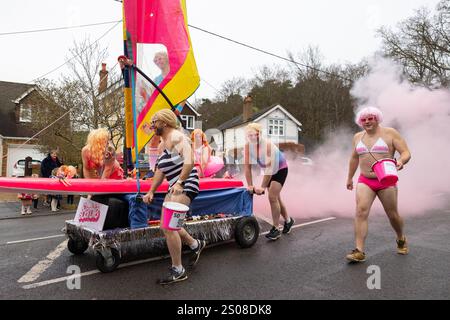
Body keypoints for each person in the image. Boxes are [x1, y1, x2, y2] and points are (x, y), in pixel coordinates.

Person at [142, 109, 206, 285]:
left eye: (154, 121)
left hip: (186, 184)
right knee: (166, 226)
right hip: (174, 186)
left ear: (164, 122)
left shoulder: (177, 137)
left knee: (170, 227)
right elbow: (160, 172)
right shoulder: (163, 144)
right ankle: (195, 244)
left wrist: (180, 182)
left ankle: (178, 270)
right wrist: (151, 191)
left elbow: (190, 159)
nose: (152, 125)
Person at [346, 106, 411, 262]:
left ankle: (400, 237)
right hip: (365, 180)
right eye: (364, 119)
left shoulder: (390, 133)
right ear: (360, 121)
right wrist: (349, 178)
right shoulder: (357, 137)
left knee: (392, 215)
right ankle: (359, 250)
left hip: (386, 180)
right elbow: (354, 158)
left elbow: (406, 152)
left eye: (371, 118)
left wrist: (401, 161)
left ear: (377, 119)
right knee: (360, 211)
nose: (367, 122)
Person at [244, 123, 294, 241]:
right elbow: (247, 167)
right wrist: (250, 185)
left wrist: (261, 187)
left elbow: (269, 169)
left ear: (259, 134)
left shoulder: (267, 146)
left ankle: (276, 229)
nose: (251, 138)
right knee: (276, 198)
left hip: (280, 169)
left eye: (254, 135)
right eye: (249, 135)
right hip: (268, 170)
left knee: (272, 197)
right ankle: (288, 220)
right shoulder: (248, 147)